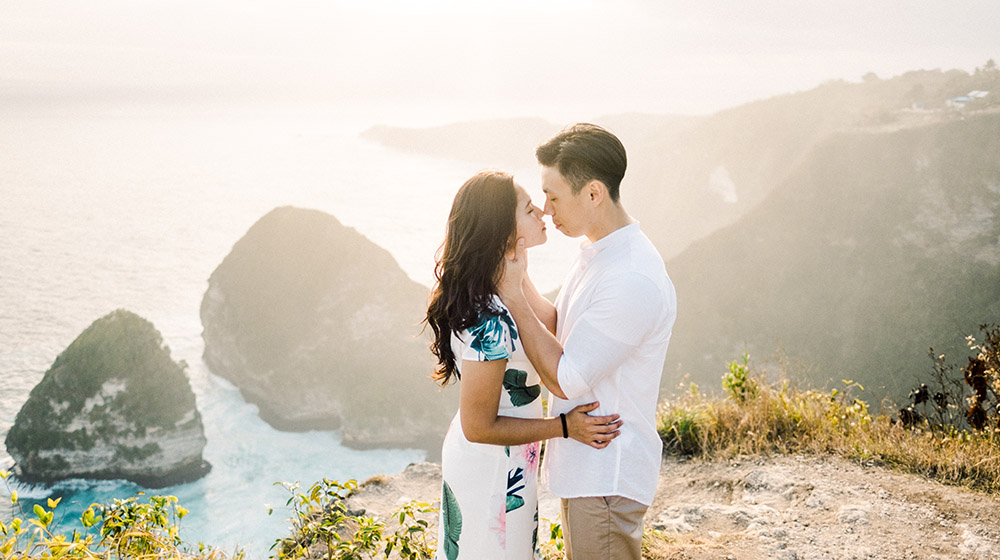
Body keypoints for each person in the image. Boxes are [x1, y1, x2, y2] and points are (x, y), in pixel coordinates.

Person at [498, 124, 677, 560]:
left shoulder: (631, 277)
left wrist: (511, 298)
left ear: (594, 193)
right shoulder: (600, 253)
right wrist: (516, 273)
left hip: (607, 477)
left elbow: (567, 377)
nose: (545, 209)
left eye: (554, 196)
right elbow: (561, 328)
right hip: (587, 469)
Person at [425, 169, 624, 560]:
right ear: (502, 231)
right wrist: (565, 427)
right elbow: (478, 426)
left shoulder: (505, 286)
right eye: (528, 208)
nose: (542, 212)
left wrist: (519, 273)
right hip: (489, 467)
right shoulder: (489, 320)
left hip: (512, 460)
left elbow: (547, 326)